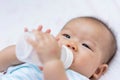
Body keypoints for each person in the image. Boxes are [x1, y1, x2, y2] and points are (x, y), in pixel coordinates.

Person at [0, 16, 117, 80]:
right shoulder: (36, 59)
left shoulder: (77, 77)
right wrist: (25, 51)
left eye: (85, 45)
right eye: (66, 36)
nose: (71, 44)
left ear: (97, 71)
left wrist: (52, 62)